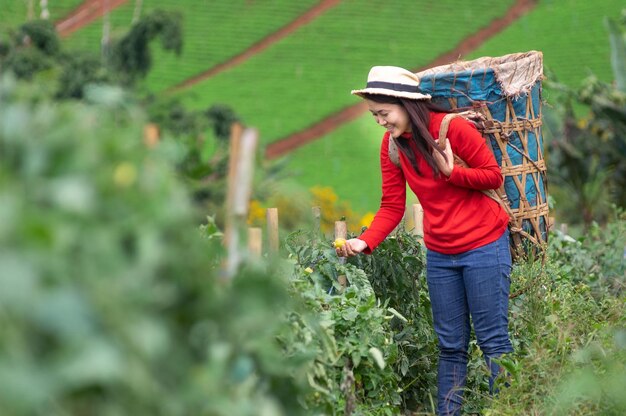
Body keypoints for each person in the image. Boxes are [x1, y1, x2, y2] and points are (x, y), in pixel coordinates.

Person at [337, 66, 512, 415]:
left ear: (406, 105)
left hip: (484, 245)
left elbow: (494, 176)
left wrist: (452, 173)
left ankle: (510, 408)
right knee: (450, 347)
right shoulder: (393, 147)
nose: (380, 122)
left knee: (494, 343)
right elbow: (391, 205)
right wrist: (364, 242)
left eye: (384, 113)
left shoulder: (451, 129)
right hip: (441, 254)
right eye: (374, 115)